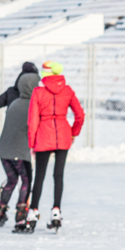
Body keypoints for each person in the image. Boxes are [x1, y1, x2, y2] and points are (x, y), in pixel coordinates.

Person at [25, 61, 84, 232]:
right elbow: (80, 115)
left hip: (44, 135)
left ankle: (33, 212)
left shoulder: (38, 92)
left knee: (39, 175)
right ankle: (56, 211)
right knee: (59, 175)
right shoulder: (68, 90)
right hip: (63, 134)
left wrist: (31, 143)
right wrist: (73, 133)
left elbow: (32, 120)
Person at [0, 62, 40, 206]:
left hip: (9, 136)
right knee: (26, 177)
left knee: (14, 176)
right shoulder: (33, 99)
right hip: (23, 140)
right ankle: (22, 209)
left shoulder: (12, 92)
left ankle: (2, 204)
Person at [0, 72, 38, 231]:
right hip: (19, 151)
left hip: (4, 149)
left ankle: (0, 212)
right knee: (26, 180)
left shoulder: (14, 103)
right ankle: (21, 213)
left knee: (11, 180)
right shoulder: (32, 105)